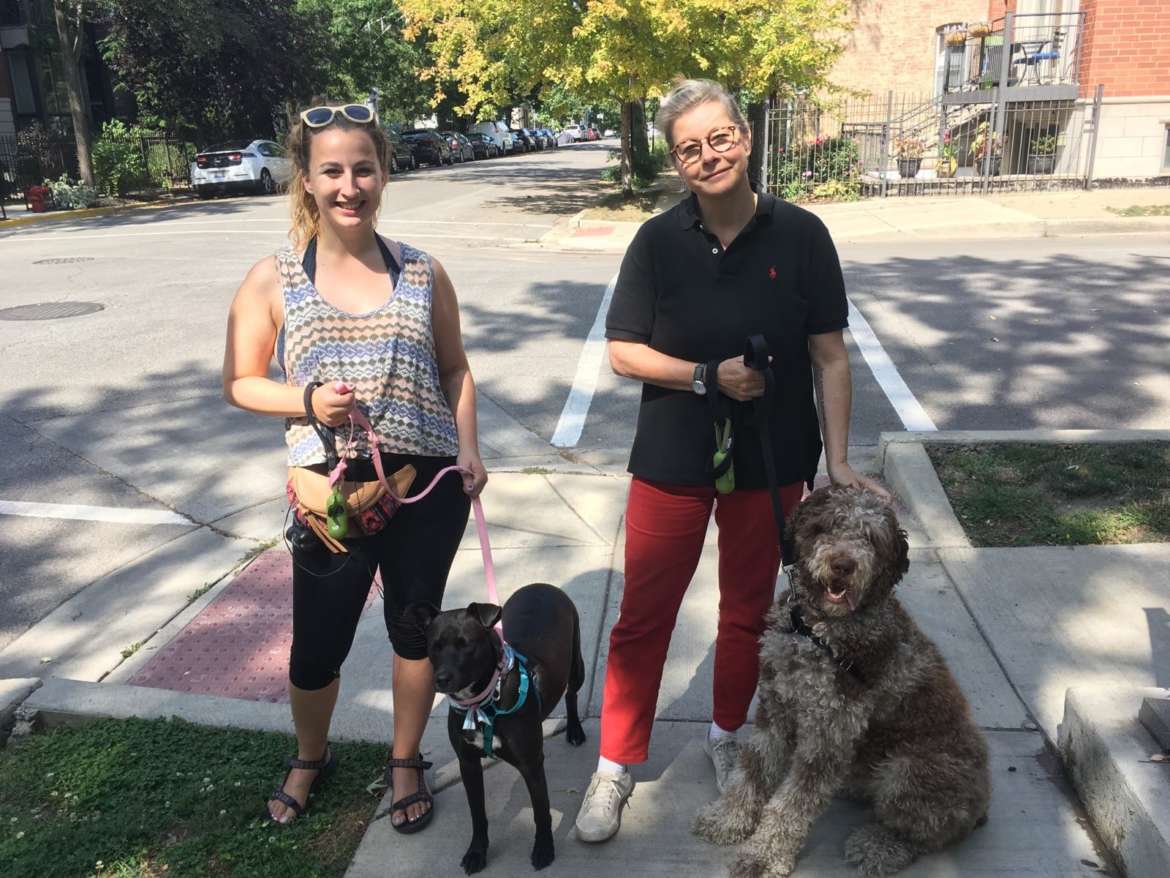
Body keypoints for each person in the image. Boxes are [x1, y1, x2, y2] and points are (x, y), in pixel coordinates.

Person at [573, 79, 889, 843]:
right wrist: (704, 375)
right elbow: (620, 351)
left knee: (749, 614)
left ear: (744, 139)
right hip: (673, 454)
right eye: (690, 147)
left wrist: (839, 461)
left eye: (719, 138)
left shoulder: (803, 234)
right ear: (677, 162)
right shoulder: (655, 240)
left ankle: (725, 736)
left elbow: (830, 356)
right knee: (643, 614)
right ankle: (617, 761)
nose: (707, 155)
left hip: (773, 458)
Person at [222, 101, 487, 833]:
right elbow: (241, 382)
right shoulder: (274, 278)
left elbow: (457, 370)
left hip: (428, 484)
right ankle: (311, 755)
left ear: (383, 174)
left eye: (363, 168)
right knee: (318, 644)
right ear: (305, 179)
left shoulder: (424, 271)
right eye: (331, 170)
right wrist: (307, 400)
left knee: (415, 633)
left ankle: (405, 758)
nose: (349, 185)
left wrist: (469, 447)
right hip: (333, 494)